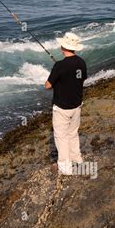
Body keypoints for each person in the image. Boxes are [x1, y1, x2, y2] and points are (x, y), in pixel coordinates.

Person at [45, 32, 87, 175]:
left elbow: (48, 85)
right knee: (73, 133)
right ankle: (77, 159)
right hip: (77, 105)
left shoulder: (59, 66)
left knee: (61, 136)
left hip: (62, 107)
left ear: (63, 47)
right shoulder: (81, 62)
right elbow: (80, 79)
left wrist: (57, 71)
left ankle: (65, 167)